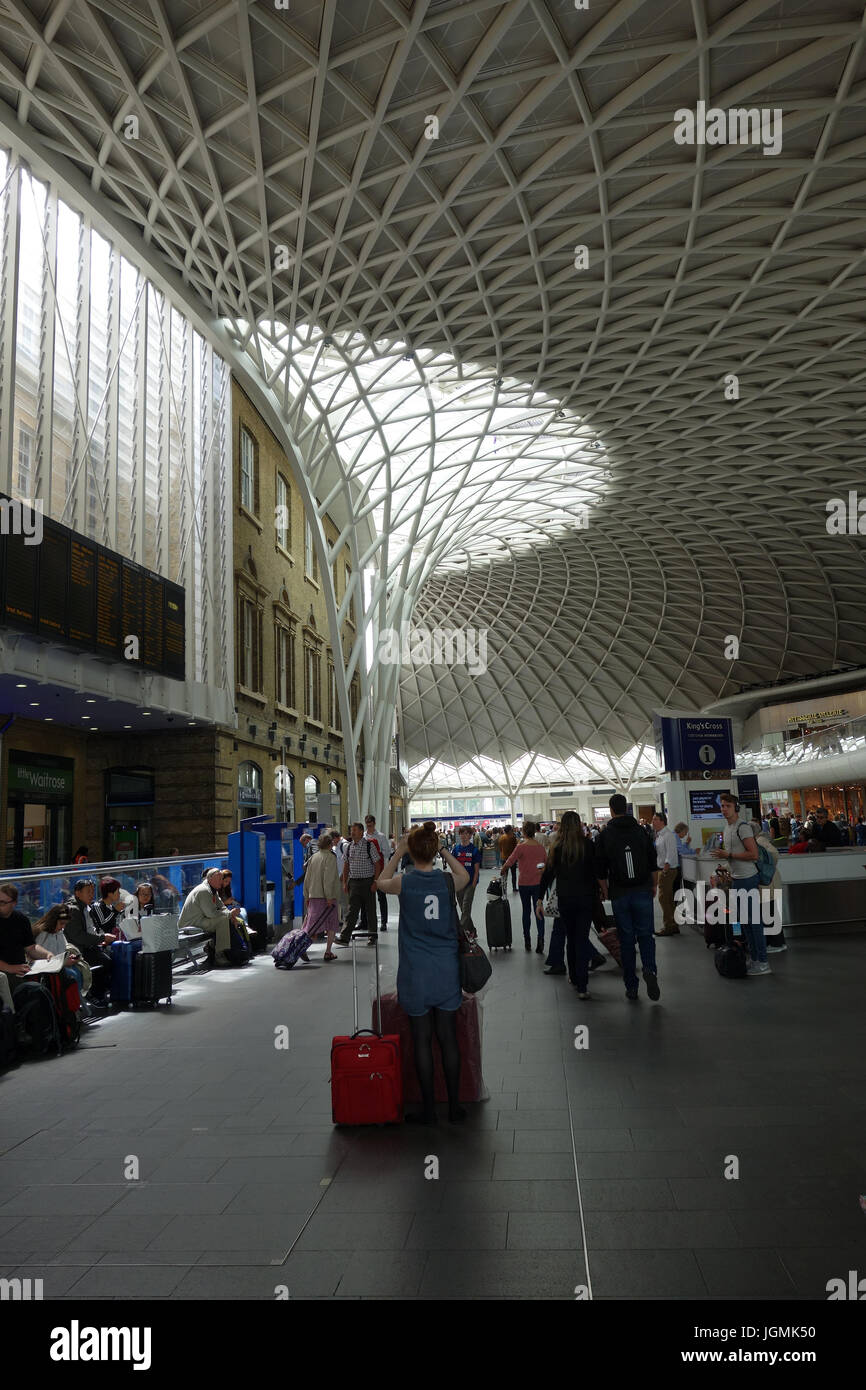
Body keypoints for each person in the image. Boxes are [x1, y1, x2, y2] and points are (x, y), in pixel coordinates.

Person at [376, 824, 469, 1125]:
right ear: (432, 850)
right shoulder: (446, 882)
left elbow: (381, 881)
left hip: (416, 972)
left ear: (411, 852)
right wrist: (441, 848)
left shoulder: (405, 882)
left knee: (421, 1040)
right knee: (448, 1038)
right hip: (446, 971)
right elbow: (465, 876)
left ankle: (429, 1110)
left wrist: (399, 850)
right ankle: (454, 1108)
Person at [595, 794, 660, 1002]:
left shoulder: (605, 835)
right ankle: (650, 970)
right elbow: (653, 862)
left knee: (626, 939)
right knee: (646, 935)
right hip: (642, 889)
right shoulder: (641, 832)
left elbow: (600, 869)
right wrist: (654, 885)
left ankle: (631, 985)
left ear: (611, 809)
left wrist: (605, 890)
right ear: (627, 808)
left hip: (619, 892)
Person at [537, 811, 598, 997]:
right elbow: (594, 872)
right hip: (586, 899)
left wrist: (540, 898)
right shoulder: (587, 845)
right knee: (581, 939)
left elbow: (547, 874)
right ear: (579, 824)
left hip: (566, 900)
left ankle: (573, 976)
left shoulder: (557, 847)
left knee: (571, 939)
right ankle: (583, 985)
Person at [710, 792, 767, 976]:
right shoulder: (727, 829)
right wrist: (725, 865)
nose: (724, 809)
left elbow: (753, 855)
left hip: (748, 879)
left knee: (754, 922)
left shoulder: (742, 828)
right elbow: (736, 856)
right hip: (737, 879)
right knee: (745, 922)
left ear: (735, 807)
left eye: (727, 806)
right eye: (722, 806)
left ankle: (763, 961)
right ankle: (755, 958)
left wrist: (729, 856)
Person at [178, 868, 244, 967]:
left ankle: (222, 952)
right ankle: (219, 955)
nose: (221, 881)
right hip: (190, 924)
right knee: (222, 921)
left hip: (200, 920)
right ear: (210, 879)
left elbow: (221, 907)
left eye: (221, 878)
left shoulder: (213, 890)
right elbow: (211, 914)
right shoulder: (204, 891)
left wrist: (230, 915)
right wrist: (230, 915)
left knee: (224, 919)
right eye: (219, 879)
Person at [65, 879, 117, 1002]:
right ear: (78, 893)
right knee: (106, 961)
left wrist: (100, 938)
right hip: (79, 950)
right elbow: (79, 936)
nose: (91, 895)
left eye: (92, 892)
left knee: (111, 957)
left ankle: (101, 992)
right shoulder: (74, 910)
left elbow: (90, 929)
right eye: (88, 892)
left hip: (89, 946)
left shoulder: (85, 907)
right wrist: (102, 938)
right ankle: (96, 994)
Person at [500, 821, 548, 953]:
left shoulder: (521, 847)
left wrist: (503, 869)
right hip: (538, 883)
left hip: (524, 884)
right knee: (539, 910)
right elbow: (544, 865)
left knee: (526, 911)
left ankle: (527, 940)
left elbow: (510, 861)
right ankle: (541, 939)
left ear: (524, 832)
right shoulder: (540, 848)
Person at [0, 885, 54, 997]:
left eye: (2, 903)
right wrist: (10, 968)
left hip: (21, 968)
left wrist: (47, 954)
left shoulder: (21, 919)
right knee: (29, 989)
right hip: (4, 971)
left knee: (56, 976)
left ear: (14, 903)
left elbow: (31, 947)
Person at [336, 823, 383, 946]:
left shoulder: (369, 845)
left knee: (370, 910)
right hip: (354, 883)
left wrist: (376, 882)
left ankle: (372, 936)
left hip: (368, 882)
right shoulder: (349, 846)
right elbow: (346, 865)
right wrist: (345, 883)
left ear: (362, 832)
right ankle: (344, 937)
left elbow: (377, 865)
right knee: (352, 911)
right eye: (351, 830)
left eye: (355, 830)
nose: (352, 832)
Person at [303, 832, 341, 961]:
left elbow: (307, 878)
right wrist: (329, 897)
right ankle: (328, 951)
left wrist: (306, 896)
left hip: (313, 895)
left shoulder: (313, 857)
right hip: (326, 898)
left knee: (312, 925)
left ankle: (302, 947)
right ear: (330, 844)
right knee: (332, 924)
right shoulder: (330, 858)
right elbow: (328, 879)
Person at [750, 819, 787, 953]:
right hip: (770, 882)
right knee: (771, 912)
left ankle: (777, 943)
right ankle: (777, 942)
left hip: (768, 883)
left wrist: (766, 868)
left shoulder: (759, 842)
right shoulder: (760, 841)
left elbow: (774, 854)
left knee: (769, 913)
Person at [652, 811, 680, 937]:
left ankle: (668, 925)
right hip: (662, 869)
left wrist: (665, 869)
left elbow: (671, 853)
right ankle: (673, 924)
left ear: (662, 821)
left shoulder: (668, 835)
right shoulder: (659, 835)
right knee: (668, 898)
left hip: (667, 870)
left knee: (663, 898)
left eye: (655, 819)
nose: (653, 822)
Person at [364, 814, 393, 933]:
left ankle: (384, 922)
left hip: (380, 871)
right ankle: (367, 922)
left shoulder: (381, 837)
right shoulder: (363, 837)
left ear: (374, 824)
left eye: (371, 825)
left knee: (381, 897)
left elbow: (387, 853)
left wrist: (377, 853)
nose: (369, 827)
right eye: (367, 825)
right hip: (366, 871)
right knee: (367, 899)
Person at [451, 825, 481, 928]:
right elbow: (453, 867)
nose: (464, 835)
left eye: (467, 833)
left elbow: (477, 870)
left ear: (470, 835)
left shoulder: (474, 850)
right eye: (462, 833)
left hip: (470, 884)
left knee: (466, 907)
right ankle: (472, 930)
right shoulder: (456, 850)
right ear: (459, 835)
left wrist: (473, 884)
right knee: (463, 909)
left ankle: (461, 931)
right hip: (459, 884)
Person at [498, 825, 518, 890]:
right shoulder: (512, 837)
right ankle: (514, 887)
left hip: (504, 858)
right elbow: (515, 848)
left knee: (504, 874)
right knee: (513, 874)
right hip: (512, 859)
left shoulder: (501, 837)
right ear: (509, 830)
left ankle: (504, 888)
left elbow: (500, 848)